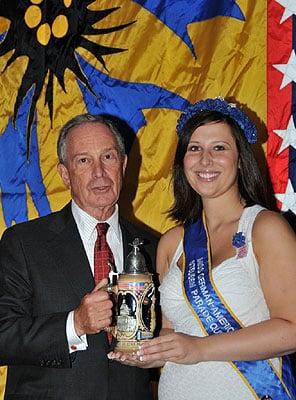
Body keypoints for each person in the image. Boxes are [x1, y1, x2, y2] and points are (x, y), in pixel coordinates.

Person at [109, 97, 296, 399]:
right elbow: (175, 333)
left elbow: (292, 328)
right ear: (182, 160)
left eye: (219, 148)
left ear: (240, 158)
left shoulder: (265, 228)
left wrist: (199, 349)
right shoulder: (172, 242)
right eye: (194, 148)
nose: (205, 160)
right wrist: (146, 349)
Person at [0, 114, 158, 400]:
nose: (99, 172)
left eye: (108, 156)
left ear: (123, 165)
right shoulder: (22, 243)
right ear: (64, 173)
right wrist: (75, 324)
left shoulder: (154, 246)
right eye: (84, 160)